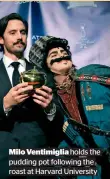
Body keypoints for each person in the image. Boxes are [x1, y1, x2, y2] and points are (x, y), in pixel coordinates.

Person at [0, 13, 63, 179]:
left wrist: (50, 108)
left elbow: (59, 120)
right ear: (0, 39)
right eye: (12, 33)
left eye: (23, 32)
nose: (20, 37)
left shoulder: (43, 74)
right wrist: (6, 103)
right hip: (0, 159)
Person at [29, 35, 110, 179]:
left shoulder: (92, 73)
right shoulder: (50, 101)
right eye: (54, 54)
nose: (61, 55)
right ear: (44, 65)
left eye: (63, 52)